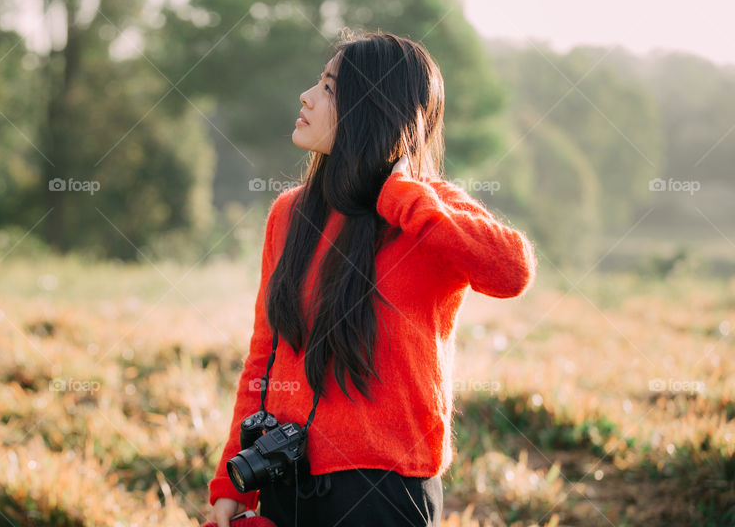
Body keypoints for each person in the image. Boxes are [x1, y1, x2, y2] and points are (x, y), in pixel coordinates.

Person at [207, 29, 538, 527]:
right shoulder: (289, 215)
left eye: (329, 88)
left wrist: (400, 194)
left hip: (384, 489)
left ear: (372, 110)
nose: (307, 96)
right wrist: (233, 480)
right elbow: (265, 353)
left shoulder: (426, 209)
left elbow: (511, 271)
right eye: (318, 83)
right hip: (285, 474)